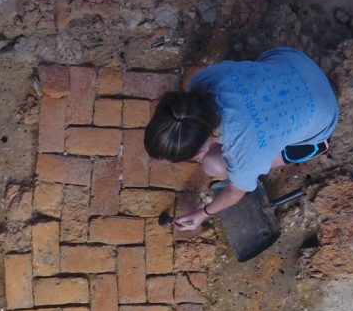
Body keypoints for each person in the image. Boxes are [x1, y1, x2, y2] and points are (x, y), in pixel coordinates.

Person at [144, 47, 339, 231]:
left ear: (197, 152)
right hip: (295, 61)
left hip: (323, 123)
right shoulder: (201, 81)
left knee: (214, 166)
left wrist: (203, 214)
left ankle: (319, 145)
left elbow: (235, 193)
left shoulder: (244, 152)